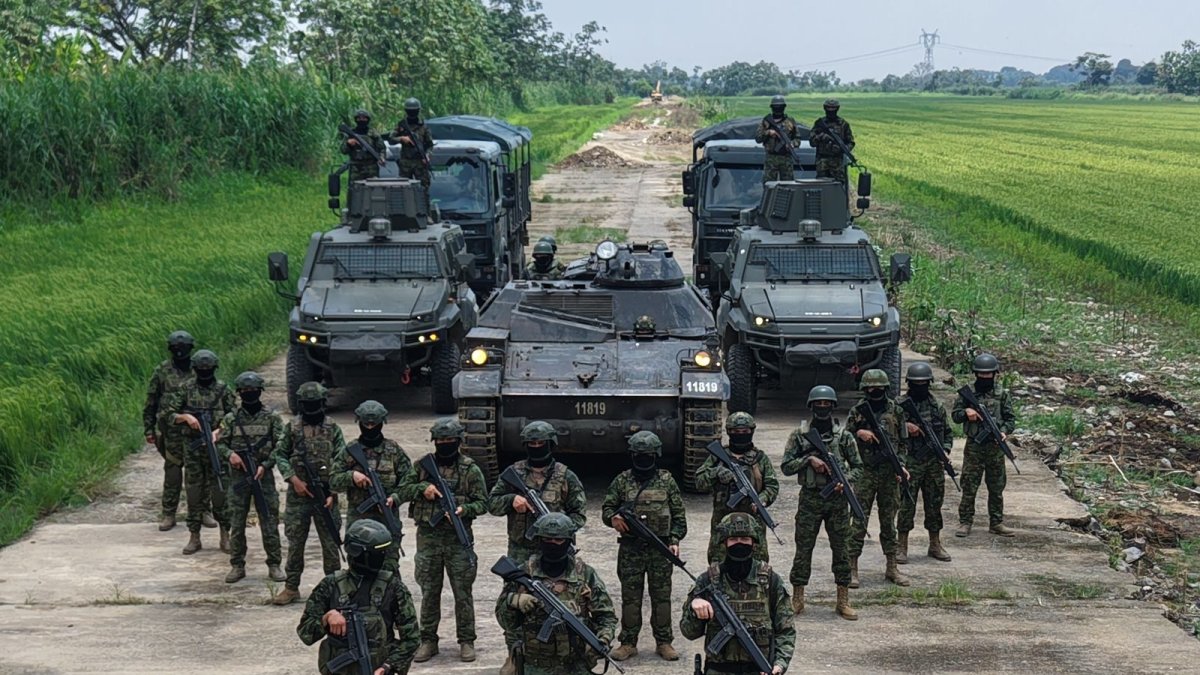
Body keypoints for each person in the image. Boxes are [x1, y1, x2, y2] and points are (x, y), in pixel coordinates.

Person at [488, 420, 587, 675]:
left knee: (556, 603)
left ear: (551, 444)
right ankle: (514, 653)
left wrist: (560, 529)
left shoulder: (565, 475)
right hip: (521, 549)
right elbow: (492, 503)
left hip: (555, 550)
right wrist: (513, 500)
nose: (536, 448)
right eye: (531, 444)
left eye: (540, 444)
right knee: (514, 603)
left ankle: (556, 654)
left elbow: (580, 514)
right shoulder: (514, 472)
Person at [396, 418, 487, 663]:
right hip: (429, 539)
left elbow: (484, 502)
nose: (445, 445)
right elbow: (402, 490)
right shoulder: (422, 467)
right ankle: (428, 640)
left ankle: (466, 640)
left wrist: (464, 510)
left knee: (463, 593)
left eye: (450, 441)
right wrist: (422, 488)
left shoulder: (470, 469)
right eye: (441, 441)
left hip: (459, 539)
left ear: (458, 442)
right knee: (429, 591)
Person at [600, 430, 686, 662]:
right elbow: (607, 509)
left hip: (660, 550)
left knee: (661, 597)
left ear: (656, 455)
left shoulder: (667, 481)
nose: (643, 459)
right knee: (631, 597)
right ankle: (628, 643)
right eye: (639, 455)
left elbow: (679, 518)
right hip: (631, 550)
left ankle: (664, 641)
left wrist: (674, 541)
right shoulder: (622, 480)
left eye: (647, 455)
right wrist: (614, 519)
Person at [495, 512, 617, 675]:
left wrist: (603, 638)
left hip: (576, 664)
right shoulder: (524, 573)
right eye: (547, 540)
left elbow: (606, 616)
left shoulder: (585, 574)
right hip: (535, 665)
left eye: (559, 540)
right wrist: (513, 601)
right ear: (539, 540)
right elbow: (506, 624)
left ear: (569, 541)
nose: (553, 544)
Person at [780, 385, 862, 620]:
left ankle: (843, 600)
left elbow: (858, 467)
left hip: (837, 501)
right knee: (803, 549)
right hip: (810, 499)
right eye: (819, 404)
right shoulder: (800, 435)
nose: (823, 408)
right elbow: (786, 466)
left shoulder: (843, 437)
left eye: (827, 404)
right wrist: (809, 460)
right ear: (811, 406)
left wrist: (844, 482)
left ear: (833, 407)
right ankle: (798, 598)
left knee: (842, 549)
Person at [298, 519, 419, 675]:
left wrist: (388, 666)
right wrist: (326, 618)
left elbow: (412, 639)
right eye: (376, 553)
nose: (382, 557)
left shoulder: (394, 588)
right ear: (358, 553)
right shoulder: (330, 585)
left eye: (383, 552)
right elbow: (305, 633)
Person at [680, 512, 795, 675]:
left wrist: (780, 664)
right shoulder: (708, 580)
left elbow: (786, 629)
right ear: (724, 542)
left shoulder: (770, 581)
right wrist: (694, 607)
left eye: (745, 540)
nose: (739, 544)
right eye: (734, 539)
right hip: (718, 670)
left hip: (758, 670)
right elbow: (689, 632)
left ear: (754, 543)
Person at [272, 381, 345, 606]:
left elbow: (342, 460)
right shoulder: (292, 428)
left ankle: (333, 591)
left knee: (331, 544)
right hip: (299, 495)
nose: (312, 408)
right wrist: (293, 479)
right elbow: (280, 454)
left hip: (326, 495)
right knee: (296, 543)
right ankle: (291, 587)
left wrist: (333, 492)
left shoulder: (333, 428)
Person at [216, 371, 286, 584]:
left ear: (260, 391)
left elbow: (281, 446)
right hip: (239, 478)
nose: (249, 394)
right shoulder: (230, 419)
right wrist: (231, 455)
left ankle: (274, 564)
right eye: (245, 391)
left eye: (253, 390)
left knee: (269, 521)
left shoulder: (272, 418)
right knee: (237, 523)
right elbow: (220, 443)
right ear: (239, 393)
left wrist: (265, 465)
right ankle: (237, 565)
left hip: (262, 477)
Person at [165, 348, 235, 555]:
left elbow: (234, 416)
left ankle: (225, 535)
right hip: (193, 449)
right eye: (201, 370)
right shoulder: (185, 389)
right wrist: (185, 418)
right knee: (194, 493)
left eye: (208, 370)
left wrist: (220, 430)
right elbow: (169, 414)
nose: (205, 374)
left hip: (216, 448)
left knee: (221, 492)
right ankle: (194, 536)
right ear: (195, 369)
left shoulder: (223, 389)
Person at [845, 368, 911, 588]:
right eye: (871, 388)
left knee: (888, 522)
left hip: (889, 474)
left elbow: (903, 443)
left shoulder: (897, 411)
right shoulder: (857, 411)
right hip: (865, 472)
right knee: (859, 521)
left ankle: (892, 567)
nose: (875, 391)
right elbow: (844, 440)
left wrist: (901, 465)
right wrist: (858, 434)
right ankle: (852, 567)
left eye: (879, 388)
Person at [331, 400, 412, 572]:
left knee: (389, 568)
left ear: (382, 423)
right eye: (365, 424)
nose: (369, 428)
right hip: (358, 519)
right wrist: (351, 476)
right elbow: (333, 481)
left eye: (373, 424)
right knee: (357, 566)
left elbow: (410, 481)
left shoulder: (394, 450)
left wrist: (395, 498)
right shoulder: (349, 451)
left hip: (387, 518)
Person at [695, 412, 779, 564]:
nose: (741, 435)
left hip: (753, 522)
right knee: (718, 563)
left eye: (745, 432)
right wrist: (716, 472)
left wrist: (762, 499)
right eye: (736, 432)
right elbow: (699, 482)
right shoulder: (718, 456)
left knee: (758, 564)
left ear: (751, 432)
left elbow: (772, 485)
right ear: (729, 432)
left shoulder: (760, 458)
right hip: (723, 520)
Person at [143, 330, 204, 532]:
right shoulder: (162, 371)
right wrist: (149, 429)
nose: (180, 352)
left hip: (196, 431)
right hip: (170, 431)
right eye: (176, 349)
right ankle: (169, 513)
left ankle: (203, 510)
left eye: (184, 349)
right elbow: (151, 401)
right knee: (173, 474)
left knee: (199, 473)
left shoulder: (200, 369)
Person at [954, 353, 1018, 538]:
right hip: (974, 446)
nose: (984, 378)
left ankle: (996, 522)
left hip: (995, 448)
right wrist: (967, 412)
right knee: (969, 485)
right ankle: (965, 522)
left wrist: (1004, 431)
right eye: (981, 375)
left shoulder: (1001, 394)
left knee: (996, 487)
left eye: (988, 375)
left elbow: (1010, 419)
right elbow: (955, 416)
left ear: (994, 374)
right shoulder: (968, 393)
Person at [897, 361, 955, 563]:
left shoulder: (936, 406)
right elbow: (888, 430)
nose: (919, 387)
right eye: (916, 383)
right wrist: (907, 428)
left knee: (934, 504)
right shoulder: (898, 406)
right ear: (909, 384)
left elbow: (947, 433)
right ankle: (901, 546)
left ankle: (935, 544)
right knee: (906, 504)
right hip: (910, 462)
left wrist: (945, 451)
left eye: (923, 383)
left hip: (933, 463)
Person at [390, 98, 434, 207]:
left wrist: (427, 155)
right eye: (410, 110)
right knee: (403, 189)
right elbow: (391, 139)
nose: (412, 113)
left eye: (414, 110)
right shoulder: (401, 125)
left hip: (420, 162)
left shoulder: (423, 127)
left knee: (423, 190)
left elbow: (429, 145)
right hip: (406, 163)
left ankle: (426, 214)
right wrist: (402, 138)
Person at [754, 95, 799, 183]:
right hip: (771, 158)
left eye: (780, 107)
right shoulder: (767, 121)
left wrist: (792, 144)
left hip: (786, 158)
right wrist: (768, 132)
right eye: (776, 107)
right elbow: (758, 138)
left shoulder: (790, 121)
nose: (778, 109)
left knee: (788, 185)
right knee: (769, 185)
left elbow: (797, 138)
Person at [811, 99, 855, 187]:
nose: (831, 110)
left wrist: (842, 149)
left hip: (837, 162)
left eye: (833, 108)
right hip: (822, 161)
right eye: (829, 108)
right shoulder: (819, 123)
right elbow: (812, 142)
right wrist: (821, 137)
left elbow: (851, 142)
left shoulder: (843, 124)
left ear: (837, 109)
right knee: (821, 187)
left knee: (839, 187)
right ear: (825, 108)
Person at [341, 109, 386, 183]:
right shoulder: (350, 134)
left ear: (367, 119)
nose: (361, 120)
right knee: (355, 190)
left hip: (371, 167)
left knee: (374, 190)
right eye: (359, 118)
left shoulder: (373, 133)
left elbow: (382, 148)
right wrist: (348, 144)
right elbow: (343, 150)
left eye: (364, 118)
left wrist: (382, 157)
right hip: (356, 168)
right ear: (356, 119)